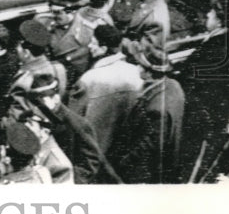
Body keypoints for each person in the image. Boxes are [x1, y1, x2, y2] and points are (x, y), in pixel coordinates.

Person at [112, 46, 185, 184]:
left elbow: (148, 146)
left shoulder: (157, 108)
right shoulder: (173, 84)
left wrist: (123, 162)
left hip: (149, 172)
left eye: (140, 65)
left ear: (149, 72)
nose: (138, 68)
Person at [70, 24, 143, 154]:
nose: (89, 46)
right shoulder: (136, 72)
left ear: (103, 48)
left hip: (95, 149)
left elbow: (74, 119)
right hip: (126, 147)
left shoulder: (88, 79)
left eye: (93, 43)